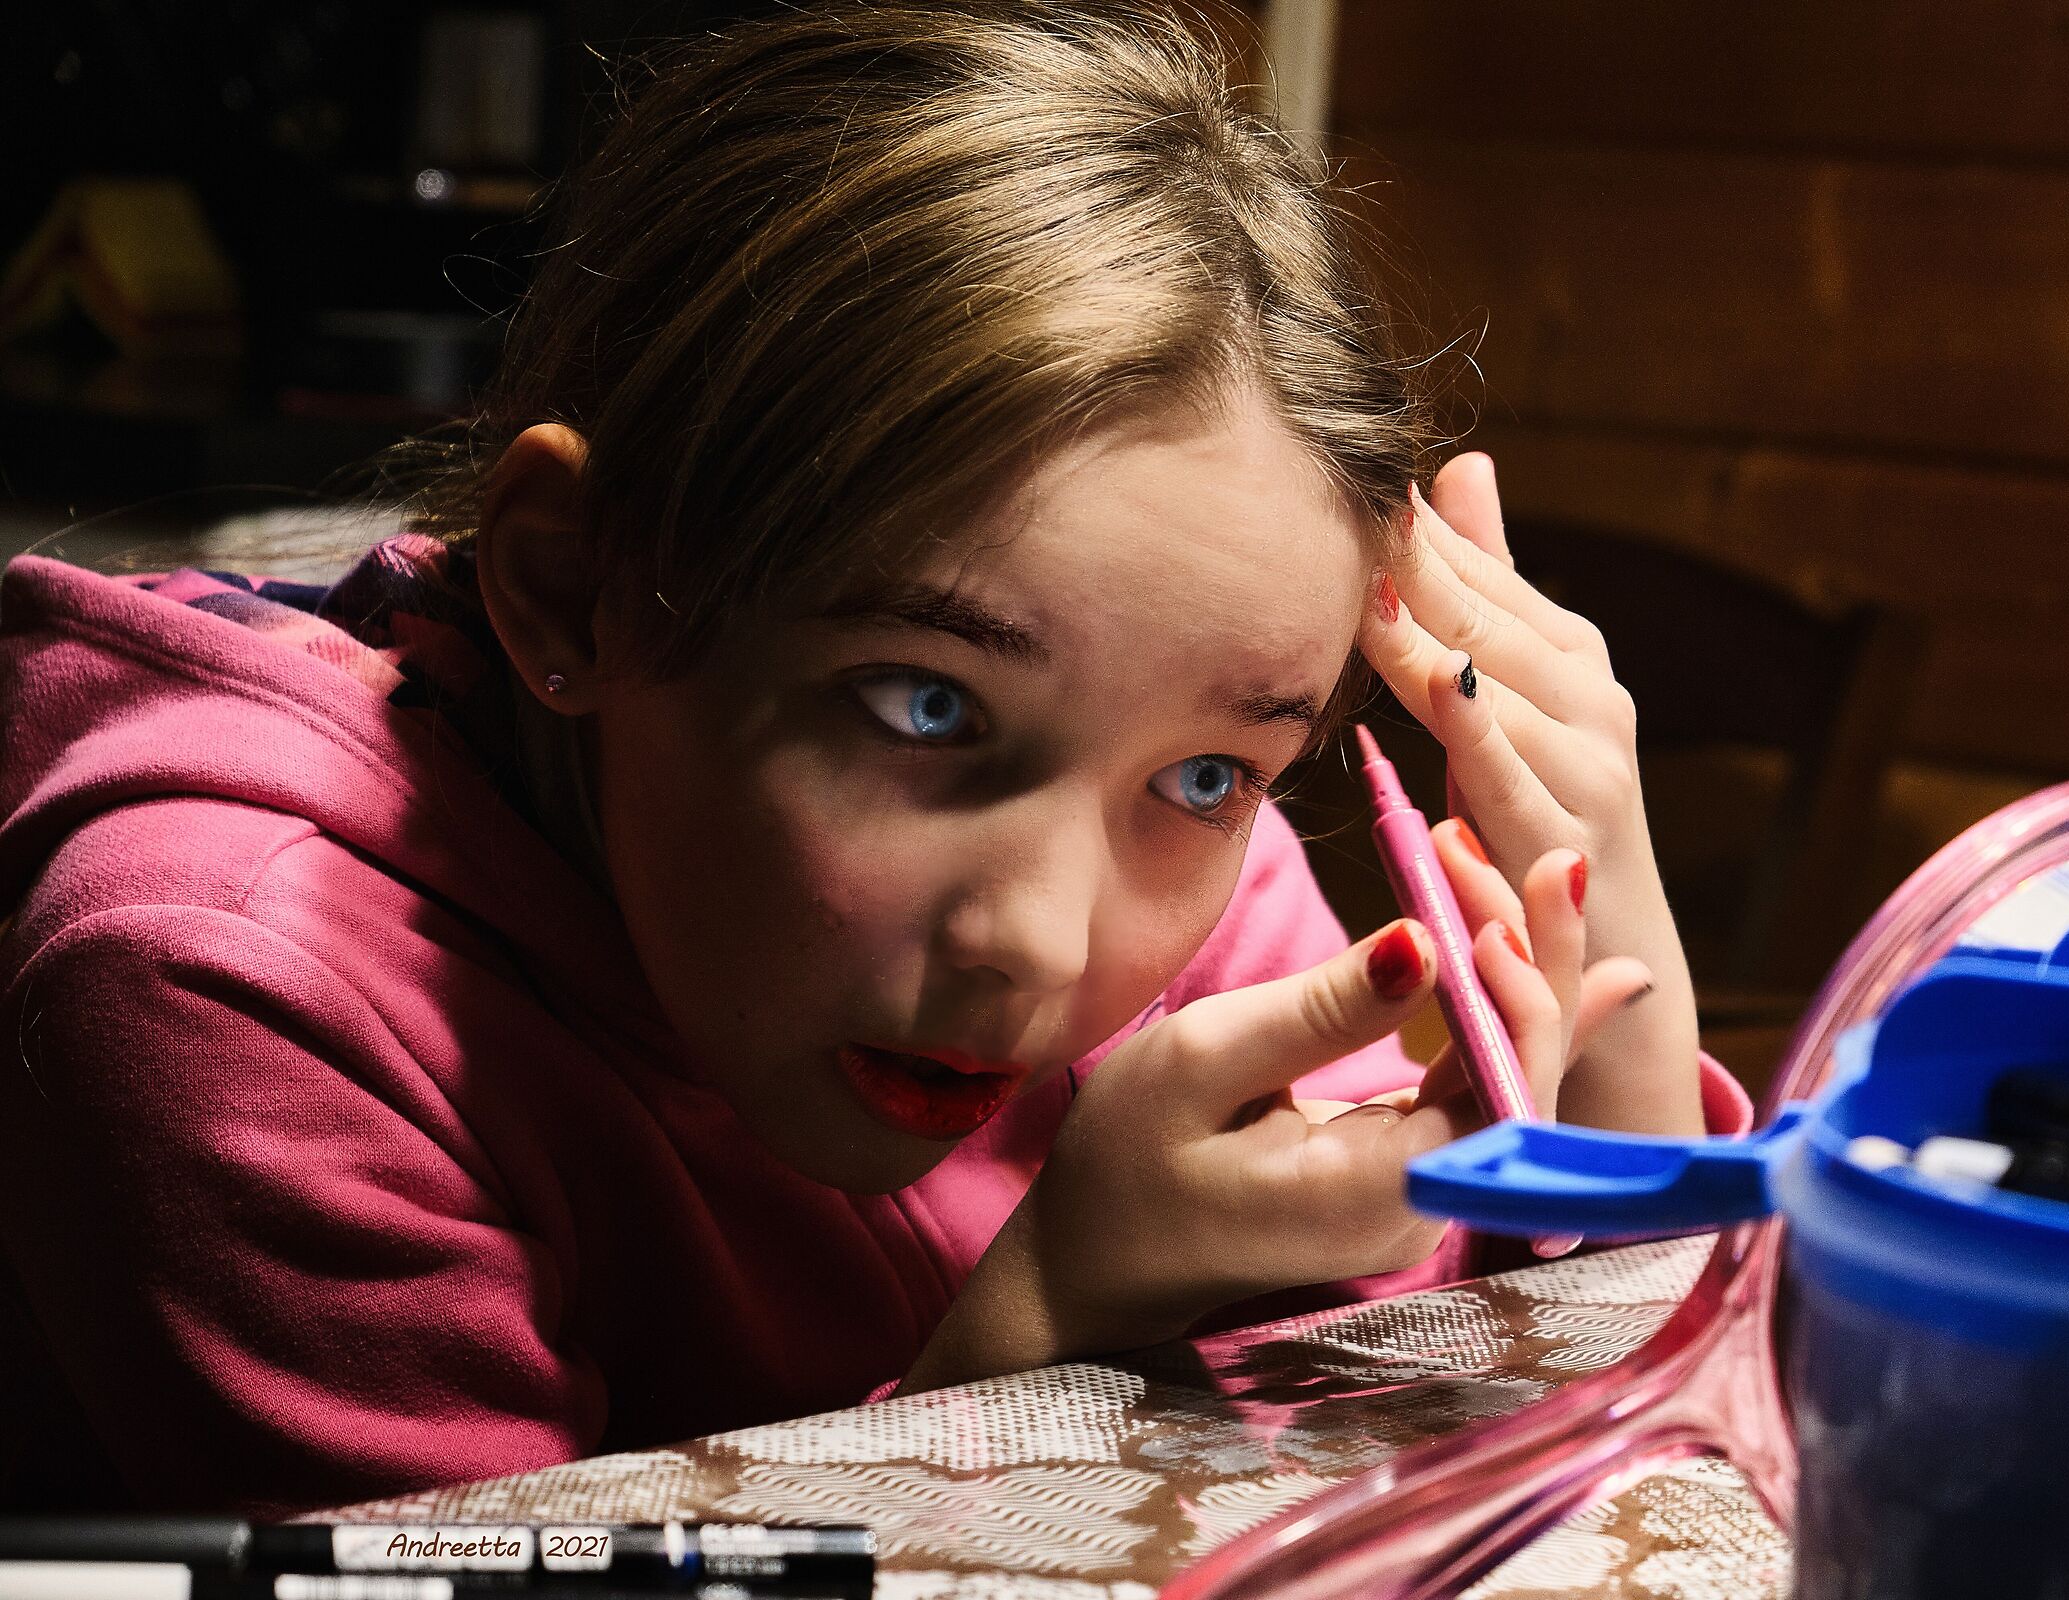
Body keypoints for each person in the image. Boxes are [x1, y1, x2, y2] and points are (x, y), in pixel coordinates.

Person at [0, 0, 1745, 1516]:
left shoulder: (1172, 877)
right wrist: (1050, 1329)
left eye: (1215, 775)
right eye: (926, 708)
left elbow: (1489, 1455)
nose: (1043, 943)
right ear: (572, 589)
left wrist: (1626, 1034)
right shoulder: (226, 983)